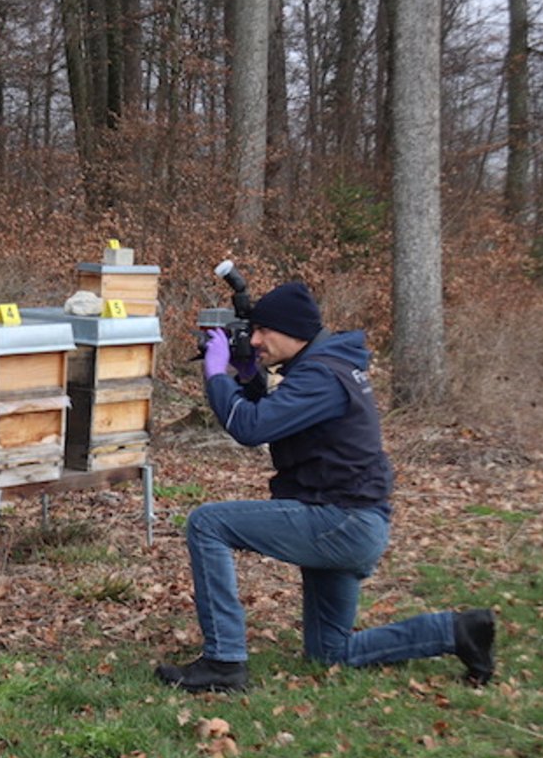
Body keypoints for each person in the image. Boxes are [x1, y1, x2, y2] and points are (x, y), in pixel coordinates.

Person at [156, 281, 495, 693]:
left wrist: (216, 375)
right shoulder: (328, 365)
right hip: (350, 520)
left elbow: (250, 427)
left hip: (341, 521)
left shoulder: (322, 376)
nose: (256, 340)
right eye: (253, 331)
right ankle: (459, 631)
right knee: (331, 652)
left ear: (294, 331)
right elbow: (277, 415)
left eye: (263, 330)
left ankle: (223, 662)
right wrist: (248, 378)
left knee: (208, 523)